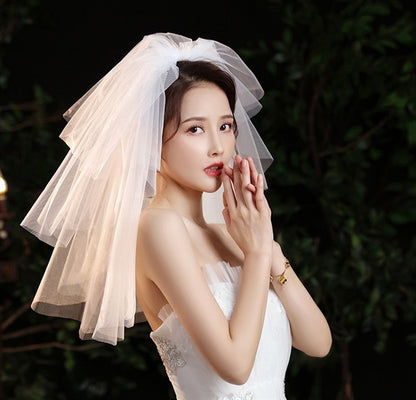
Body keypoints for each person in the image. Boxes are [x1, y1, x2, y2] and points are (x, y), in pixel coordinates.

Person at [22, 33, 331, 399]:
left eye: (226, 126)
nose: (218, 146)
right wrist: (257, 255)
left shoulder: (232, 231)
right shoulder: (157, 227)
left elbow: (317, 343)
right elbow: (235, 366)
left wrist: (267, 246)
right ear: (152, 139)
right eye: (195, 129)